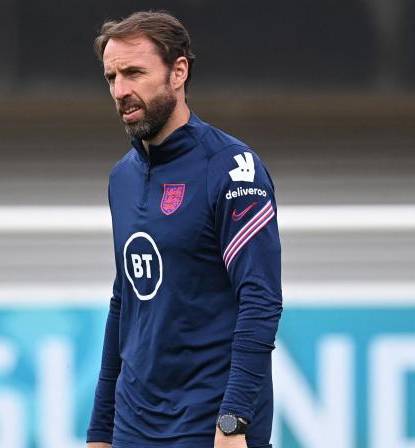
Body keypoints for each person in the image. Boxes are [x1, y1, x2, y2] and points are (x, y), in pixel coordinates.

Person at [86, 11, 283, 448]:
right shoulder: (122, 177)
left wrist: (233, 422)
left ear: (179, 71)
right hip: (134, 430)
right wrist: (100, 430)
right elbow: (126, 302)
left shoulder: (233, 170)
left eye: (134, 73)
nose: (121, 91)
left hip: (208, 429)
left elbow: (261, 299)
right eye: (112, 77)